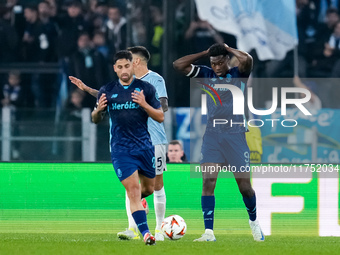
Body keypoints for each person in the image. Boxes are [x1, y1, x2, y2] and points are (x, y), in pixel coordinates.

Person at [69, 46, 168, 241]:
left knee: (153, 187)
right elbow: (108, 101)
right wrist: (90, 94)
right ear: (115, 68)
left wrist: (145, 103)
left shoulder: (152, 83)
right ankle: (139, 230)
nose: (124, 69)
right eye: (120, 66)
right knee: (132, 189)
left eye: (127, 64)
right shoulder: (111, 88)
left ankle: (160, 227)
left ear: (134, 63)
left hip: (152, 141)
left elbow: (162, 109)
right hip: (121, 147)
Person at [173, 43, 265, 242]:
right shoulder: (205, 74)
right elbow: (178, 65)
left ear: (227, 60)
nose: (216, 67)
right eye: (213, 63)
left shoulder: (238, 73)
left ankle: (254, 222)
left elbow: (248, 59)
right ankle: (208, 232)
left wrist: (229, 49)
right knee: (208, 180)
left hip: (236, 134)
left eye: (220, 62)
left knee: (244, 186)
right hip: (213, 135)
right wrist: (205, 53)